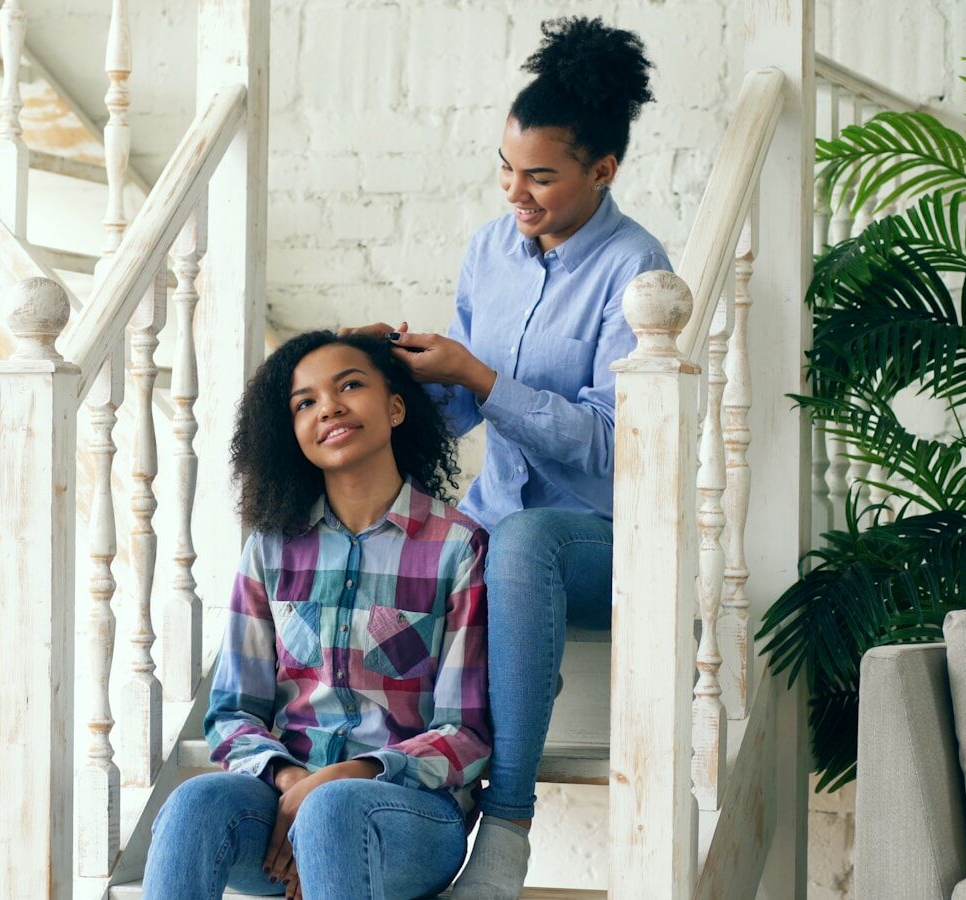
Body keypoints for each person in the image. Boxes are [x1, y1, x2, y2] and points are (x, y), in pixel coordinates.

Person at [344, 16, 670, 899]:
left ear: (603, 170)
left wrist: (481, 375)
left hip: (601, 536)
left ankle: (511, 822)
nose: (515, 192)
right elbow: (451, 411)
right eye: (504, 166)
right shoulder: (491, 250)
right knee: (389, 538)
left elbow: (615, 448)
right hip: (501, 519)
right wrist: (385, 370)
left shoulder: (637, 271)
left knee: (521, 540)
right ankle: (374, 809)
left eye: (540, 175)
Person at [141, 331, 492, 899]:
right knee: (195, 802)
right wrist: (291, 782)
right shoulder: (271, 548)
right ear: (294, 434)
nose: (328, 406)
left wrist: (340, 782)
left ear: (396, 407)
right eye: (304, 402)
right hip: (286, 807)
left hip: (410, 818)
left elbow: (466, 733)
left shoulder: (458, 546)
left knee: (335, 810)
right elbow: (232, 713)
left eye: (350, 385)